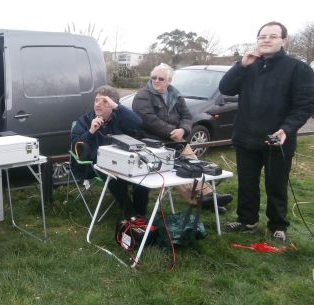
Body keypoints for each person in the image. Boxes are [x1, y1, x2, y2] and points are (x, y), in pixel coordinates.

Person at [219, 21, 314, 244]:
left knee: (276, 184)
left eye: (272, 36)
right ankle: (247, 220)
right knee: (247, 182)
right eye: (262, 37)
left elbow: (305, 104)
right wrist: (240, 65)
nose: (266, 40)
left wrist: (287, 129)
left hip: (277, 140)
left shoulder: (298, 69)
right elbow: (225, 88)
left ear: (284, 40)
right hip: (245, 137)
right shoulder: (248, 65)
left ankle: (278, 226)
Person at [132, 63, 233, 212]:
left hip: (175, 138)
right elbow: (149, 120)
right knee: (176, 169)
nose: (156, 81)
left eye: (161, 78)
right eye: (154, 77)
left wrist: (183, 129)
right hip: (153, 141)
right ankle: (202, 198)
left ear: (169, 81)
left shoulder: (176, 94)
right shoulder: (143, 95)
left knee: (194, 164)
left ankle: (207, 197)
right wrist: (173, 131)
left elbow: (186, 116)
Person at [71, 85, 150, 220]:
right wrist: (90, 132)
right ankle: (129, 213)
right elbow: (77, 149)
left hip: (123, 160)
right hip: (94, 164)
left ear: (113, 105)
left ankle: (141, 214)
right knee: (113, 175)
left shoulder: (119, 118)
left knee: (143, 175)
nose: (98, 104)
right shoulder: (84, 120)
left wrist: (117, 107)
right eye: (96, 100)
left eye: (104, 101)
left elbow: (138, 123)